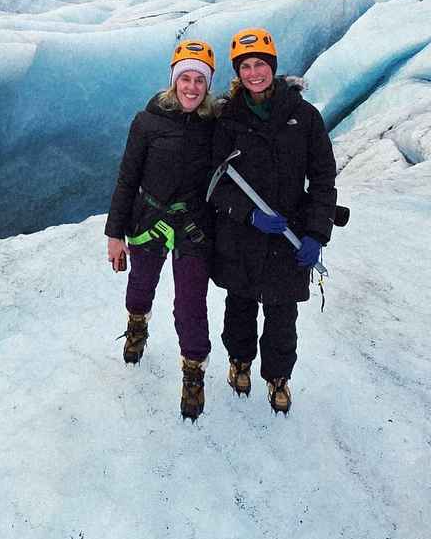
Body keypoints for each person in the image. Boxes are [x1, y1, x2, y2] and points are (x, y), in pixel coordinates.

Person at [209, 28, 337, 415]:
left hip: (289, 233)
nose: (254, 73)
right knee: (240, 304)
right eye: (245, 66)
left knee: (282, 314)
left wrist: (316, 233)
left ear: (273, 66)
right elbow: (213, 183)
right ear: (238, 72)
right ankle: (239, 360)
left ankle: (278, 377)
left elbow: (323, 179)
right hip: (242, 235)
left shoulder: (304, 116)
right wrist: (248, 213)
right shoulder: (227, 118)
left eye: (260, 64)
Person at [105, 39, 217, 421]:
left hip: (193, 226)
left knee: (190, 304)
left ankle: (193, 372)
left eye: (199, 80)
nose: (191, 87)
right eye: (185, 78)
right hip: (148, 219)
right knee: (140, 285)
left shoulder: (215, 124)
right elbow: (127, 178)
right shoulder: (147, 122)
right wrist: (115, 234)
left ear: (207, 86)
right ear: (174, 81)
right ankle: (137, 324)